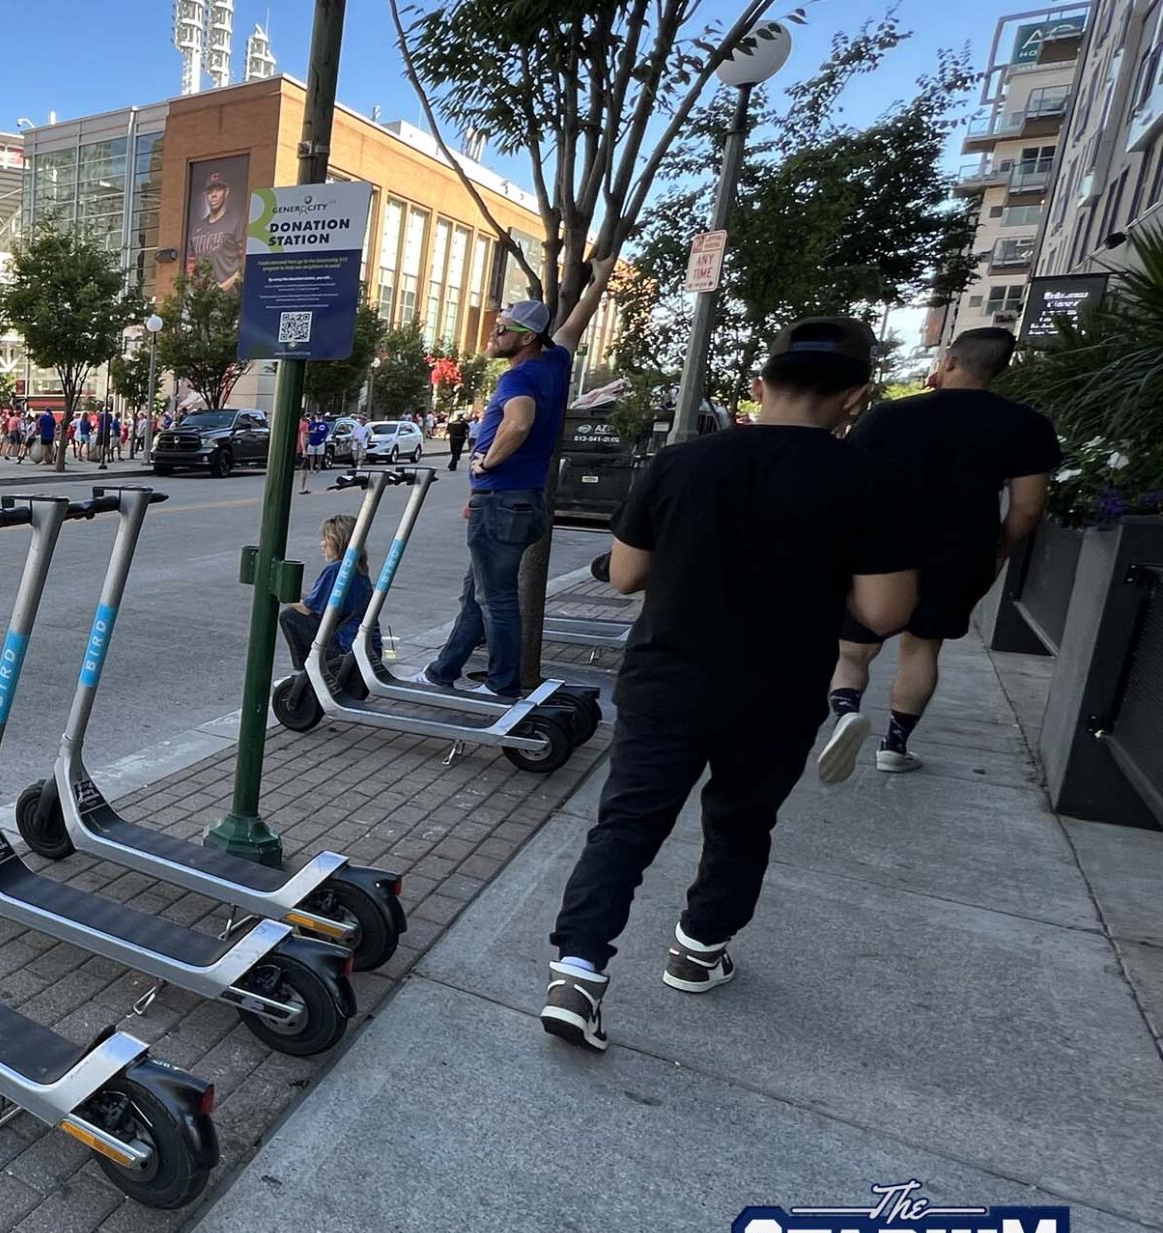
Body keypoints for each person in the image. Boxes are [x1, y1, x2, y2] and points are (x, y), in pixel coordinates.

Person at [538, 318, 917, 1054]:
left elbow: (624, 576)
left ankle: (577, 973)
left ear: (758, 386)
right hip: (778, 688)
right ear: (856, 400)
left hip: (667, 678)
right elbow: (884, 611)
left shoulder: (680, 464)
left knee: (627, 824)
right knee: (742, 824)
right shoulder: (869, 483)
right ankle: (697, 950)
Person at [821, 326, 1057, 779]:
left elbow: (847, 485)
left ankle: (845, 714)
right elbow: (1029, 508)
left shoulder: (889, 417)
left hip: (882, 549)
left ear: (949, 360)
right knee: (922, 647)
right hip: (963, 549)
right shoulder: (1025, 425)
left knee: (854, 649)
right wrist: (999, 551)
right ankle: (895, 745)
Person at [424, 299, 572, 698]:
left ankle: (502, 685)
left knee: (497, 598)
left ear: (527, 337)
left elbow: (519, 422)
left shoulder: (519, 378)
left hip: (503, 500)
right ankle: (443, 669)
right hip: (520, 498)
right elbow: (574, 324)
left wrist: (487, 464)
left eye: (502, 329)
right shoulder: (555, 363)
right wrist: (598, 277)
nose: (493, 334)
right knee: (478, 592)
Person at [278, 514, 373, 687]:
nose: (322, 544)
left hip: (344, 648)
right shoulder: (358, 568)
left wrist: (281, 593)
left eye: (326, 539)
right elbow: (318, 601)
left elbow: (308, 609)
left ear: (339, 542)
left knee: (289, 616)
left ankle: (304, 673)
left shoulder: (336, 570)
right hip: (362, 645)